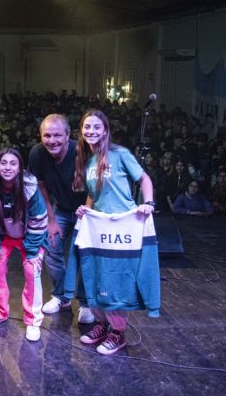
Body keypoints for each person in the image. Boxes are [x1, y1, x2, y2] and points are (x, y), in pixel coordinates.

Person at [68, 109, 158, 356]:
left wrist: (148, 204)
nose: (91, 132)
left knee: (117, 281)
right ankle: (101, 325)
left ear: (105, 130)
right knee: (97, 278)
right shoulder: (88, 159)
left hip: (123, 226)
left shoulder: (120, 154)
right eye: (87, 127)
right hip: (100, 228)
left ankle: (117, 333)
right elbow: (93, 194)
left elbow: (145, 179)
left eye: (96, 127)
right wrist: (86, 212)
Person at [27, 114, 93, 323]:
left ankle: (85, 303)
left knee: (84, 255)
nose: (52, 140)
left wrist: (86, 214)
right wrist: (51, 219)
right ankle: (61, 296)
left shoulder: (82, 151)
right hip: (62, 209)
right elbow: (41, 185)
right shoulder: (37, 153)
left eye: (57, 135)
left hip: (88, 209)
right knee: (52, 249)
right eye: (47, 135)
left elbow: (95, 186)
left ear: (67, 136)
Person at [0, 148, 48, 342]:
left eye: (13, 163)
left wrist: (32, 251)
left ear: (20, 167)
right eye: (3, 163)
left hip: (30, 237)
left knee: (32, 269)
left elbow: (39, 220)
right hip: (4, 237)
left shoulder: (30, 188)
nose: (8, 167)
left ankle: (33, 320)